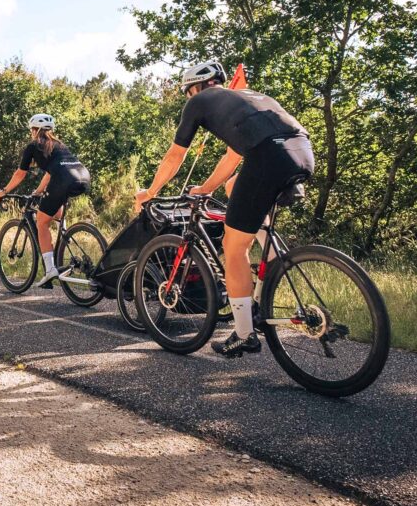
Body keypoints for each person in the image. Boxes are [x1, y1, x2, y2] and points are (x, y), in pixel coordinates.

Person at [134, 60, 314, 357]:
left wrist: (150, 192)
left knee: (233, 247)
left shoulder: (199, 102)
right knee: (234, 187)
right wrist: (206, 189)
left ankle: (244, 334)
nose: (189, 97)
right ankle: (273, 260)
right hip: (301, 152)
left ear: (194, 87)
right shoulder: (249, 98)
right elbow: (233, 159)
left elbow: (175, 155)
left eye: (187, 91)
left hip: (269, 155)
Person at [0, 113, 91, 289]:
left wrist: (4, 191)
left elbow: (20, 173)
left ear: (34, 130)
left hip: (63, 178)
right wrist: (38, 192)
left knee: (41, 222)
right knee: (53, 206)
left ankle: (50, 270)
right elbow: (50, 173)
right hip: (83, 176)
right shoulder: (59, 145)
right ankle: (63, 231)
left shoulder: (33, 146)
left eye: (32, 130)